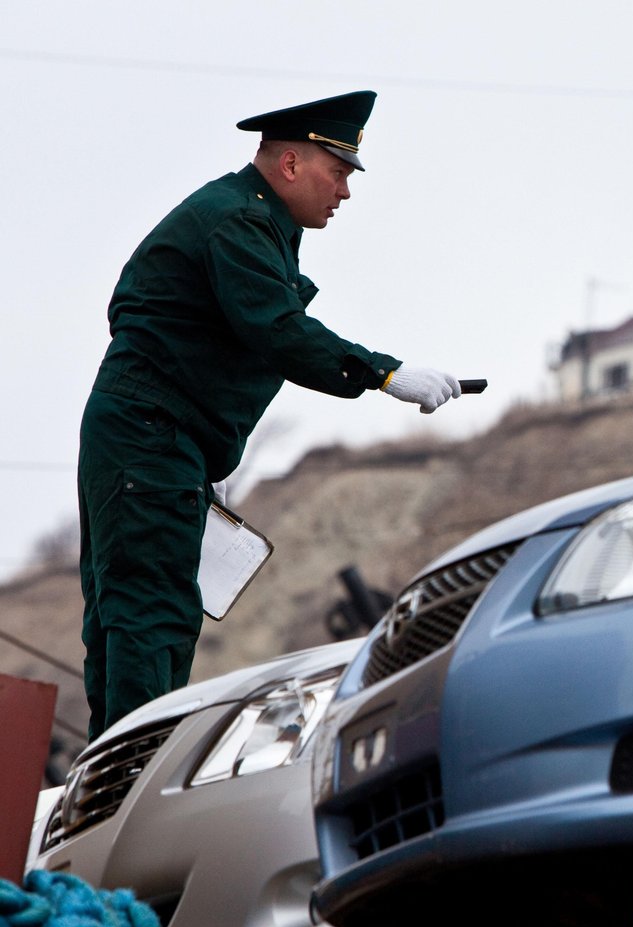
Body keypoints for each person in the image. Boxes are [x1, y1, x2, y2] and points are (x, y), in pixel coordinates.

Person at [78, 90, 461, 740]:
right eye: (337, 171)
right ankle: (129, 785)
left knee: (131, 614)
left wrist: (200, 451)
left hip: (153, 439)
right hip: (150, 439)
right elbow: (279, 331)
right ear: (289, 165)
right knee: (151, 614)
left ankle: (113, 780)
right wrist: (384, 373)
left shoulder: (240, 219)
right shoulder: (239, 223)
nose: (344, 191)